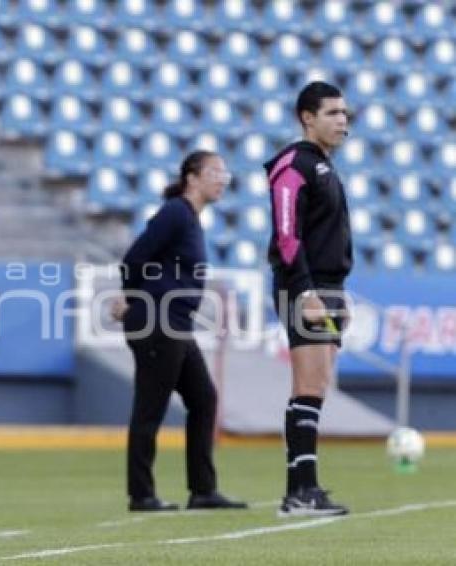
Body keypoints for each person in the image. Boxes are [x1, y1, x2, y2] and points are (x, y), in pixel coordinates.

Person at [112, 151, 247, 512]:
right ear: (192, 177)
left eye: (225, 173)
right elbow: (134, 258)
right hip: (159, 321)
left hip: (176, 324)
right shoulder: (175, 212)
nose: (222, 179)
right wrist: (134, 299)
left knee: (204, 399)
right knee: (150, 408)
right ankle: (141, 495)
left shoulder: (189, 218)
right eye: (215, 172)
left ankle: (203, 491)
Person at [264, 81, 352, 518]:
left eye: (345, 114)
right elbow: (286, 234)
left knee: (314, 387)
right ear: (307, 117)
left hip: (328, 287)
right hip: (306, 286)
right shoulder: (293, 163)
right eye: (334, 113)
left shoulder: (323, 165)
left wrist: (338, 293)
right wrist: (306, 292)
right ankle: (301, 493)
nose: (343, 122)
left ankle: (301, 490)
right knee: (309, 384)